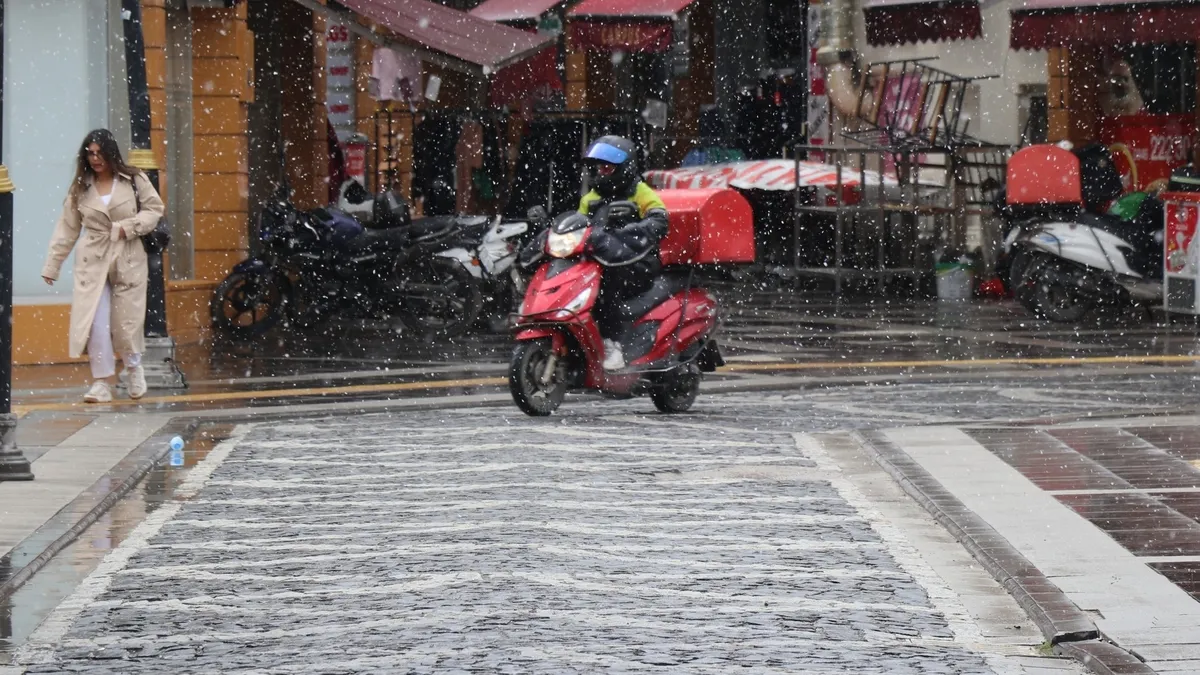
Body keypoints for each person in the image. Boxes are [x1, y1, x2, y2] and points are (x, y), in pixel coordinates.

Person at [41, 129, 165, 403]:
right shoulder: (81, 187)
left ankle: (133, 369)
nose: (95, 159)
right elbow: (68, 228)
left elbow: (154, 209)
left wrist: (127, 227)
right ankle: (101, 383)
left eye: (99, 153)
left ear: (111, 153)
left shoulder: (133, 179)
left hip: (128, 254)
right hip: (93, 257)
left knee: (126, 320)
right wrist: (52, 265)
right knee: (95, 322)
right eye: (90, 153)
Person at [577, 135, 669, 370]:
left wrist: (632, 230)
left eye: (607, 168)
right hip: (602, 258)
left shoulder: (640, 192)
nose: (601, 173)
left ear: (623, 168)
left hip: (636, 260)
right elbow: (579, 225)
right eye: (598, 168)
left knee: (607, 284)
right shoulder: (592, 197)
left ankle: (614, 344)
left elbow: (659, 218)